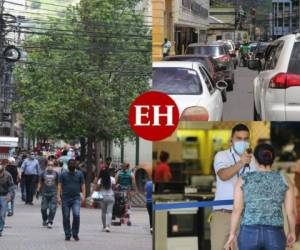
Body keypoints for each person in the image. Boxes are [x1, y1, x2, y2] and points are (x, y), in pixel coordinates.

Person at [224, 143, 296, 250]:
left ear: (255, 159)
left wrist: (232, 234)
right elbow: (291, 212)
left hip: (249, 233)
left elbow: (237, 210)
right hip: (275, 234)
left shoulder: (244, 179)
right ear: (273, 158)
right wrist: (292, 232)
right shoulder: (284, 178)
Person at [210, 123, 256, 250]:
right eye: (239, 138)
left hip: (245, 215)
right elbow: (223, 175)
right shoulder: (221, 155)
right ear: (231, 140)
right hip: (223, 213)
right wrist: (241, 162)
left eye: (246, 139)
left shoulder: (253, 160)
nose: (243, 141)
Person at [57, 159, 86, 241]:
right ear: (68, 165)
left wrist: (83, 195)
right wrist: (58, 196)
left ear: (76, 165)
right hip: (65, 198)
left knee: (76, 215)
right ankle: (67, 234)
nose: (72, 165)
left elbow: (83, 185)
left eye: (74, 164)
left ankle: (75, 233)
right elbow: (59, 185)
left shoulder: (79, 174)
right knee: (66, 216)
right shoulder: (63, 174)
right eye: (71, 164)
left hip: (76, 198)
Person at [37, 160, 59, 229]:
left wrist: (59, 194)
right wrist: (38, 190)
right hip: (45, 193)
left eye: (51, 165)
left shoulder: (56, 173)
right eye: (49, 165)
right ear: (46, 166)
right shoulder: (43, 173)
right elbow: (40, 182)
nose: (50, 166)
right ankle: (45, 219)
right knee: (43, 208)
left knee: (52, 208)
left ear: (53, 166)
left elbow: (59, 184)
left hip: (53, 193)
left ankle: (50, 221)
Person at [0, 164, 14, 237]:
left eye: (1, 173)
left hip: (4, 196)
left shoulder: (8, 175)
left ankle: (0, 229)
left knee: (2, 214)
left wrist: (9, 195)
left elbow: (11, 186)